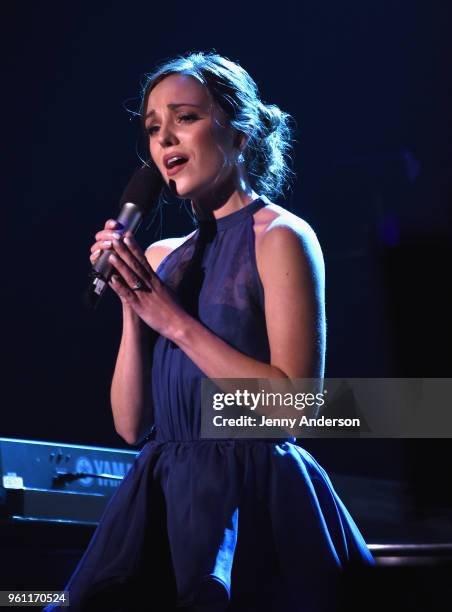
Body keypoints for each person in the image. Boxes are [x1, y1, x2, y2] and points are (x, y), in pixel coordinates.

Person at [45, 51, 375, 612]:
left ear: (240, 134)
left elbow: (295, 409)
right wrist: (134, 300)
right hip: (164, 494)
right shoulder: (162, 256)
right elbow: (130, 426)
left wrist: (171, 318)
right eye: (153, 128)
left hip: (253, 495)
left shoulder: (281, 236)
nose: (165, 138)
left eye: (185, 118)